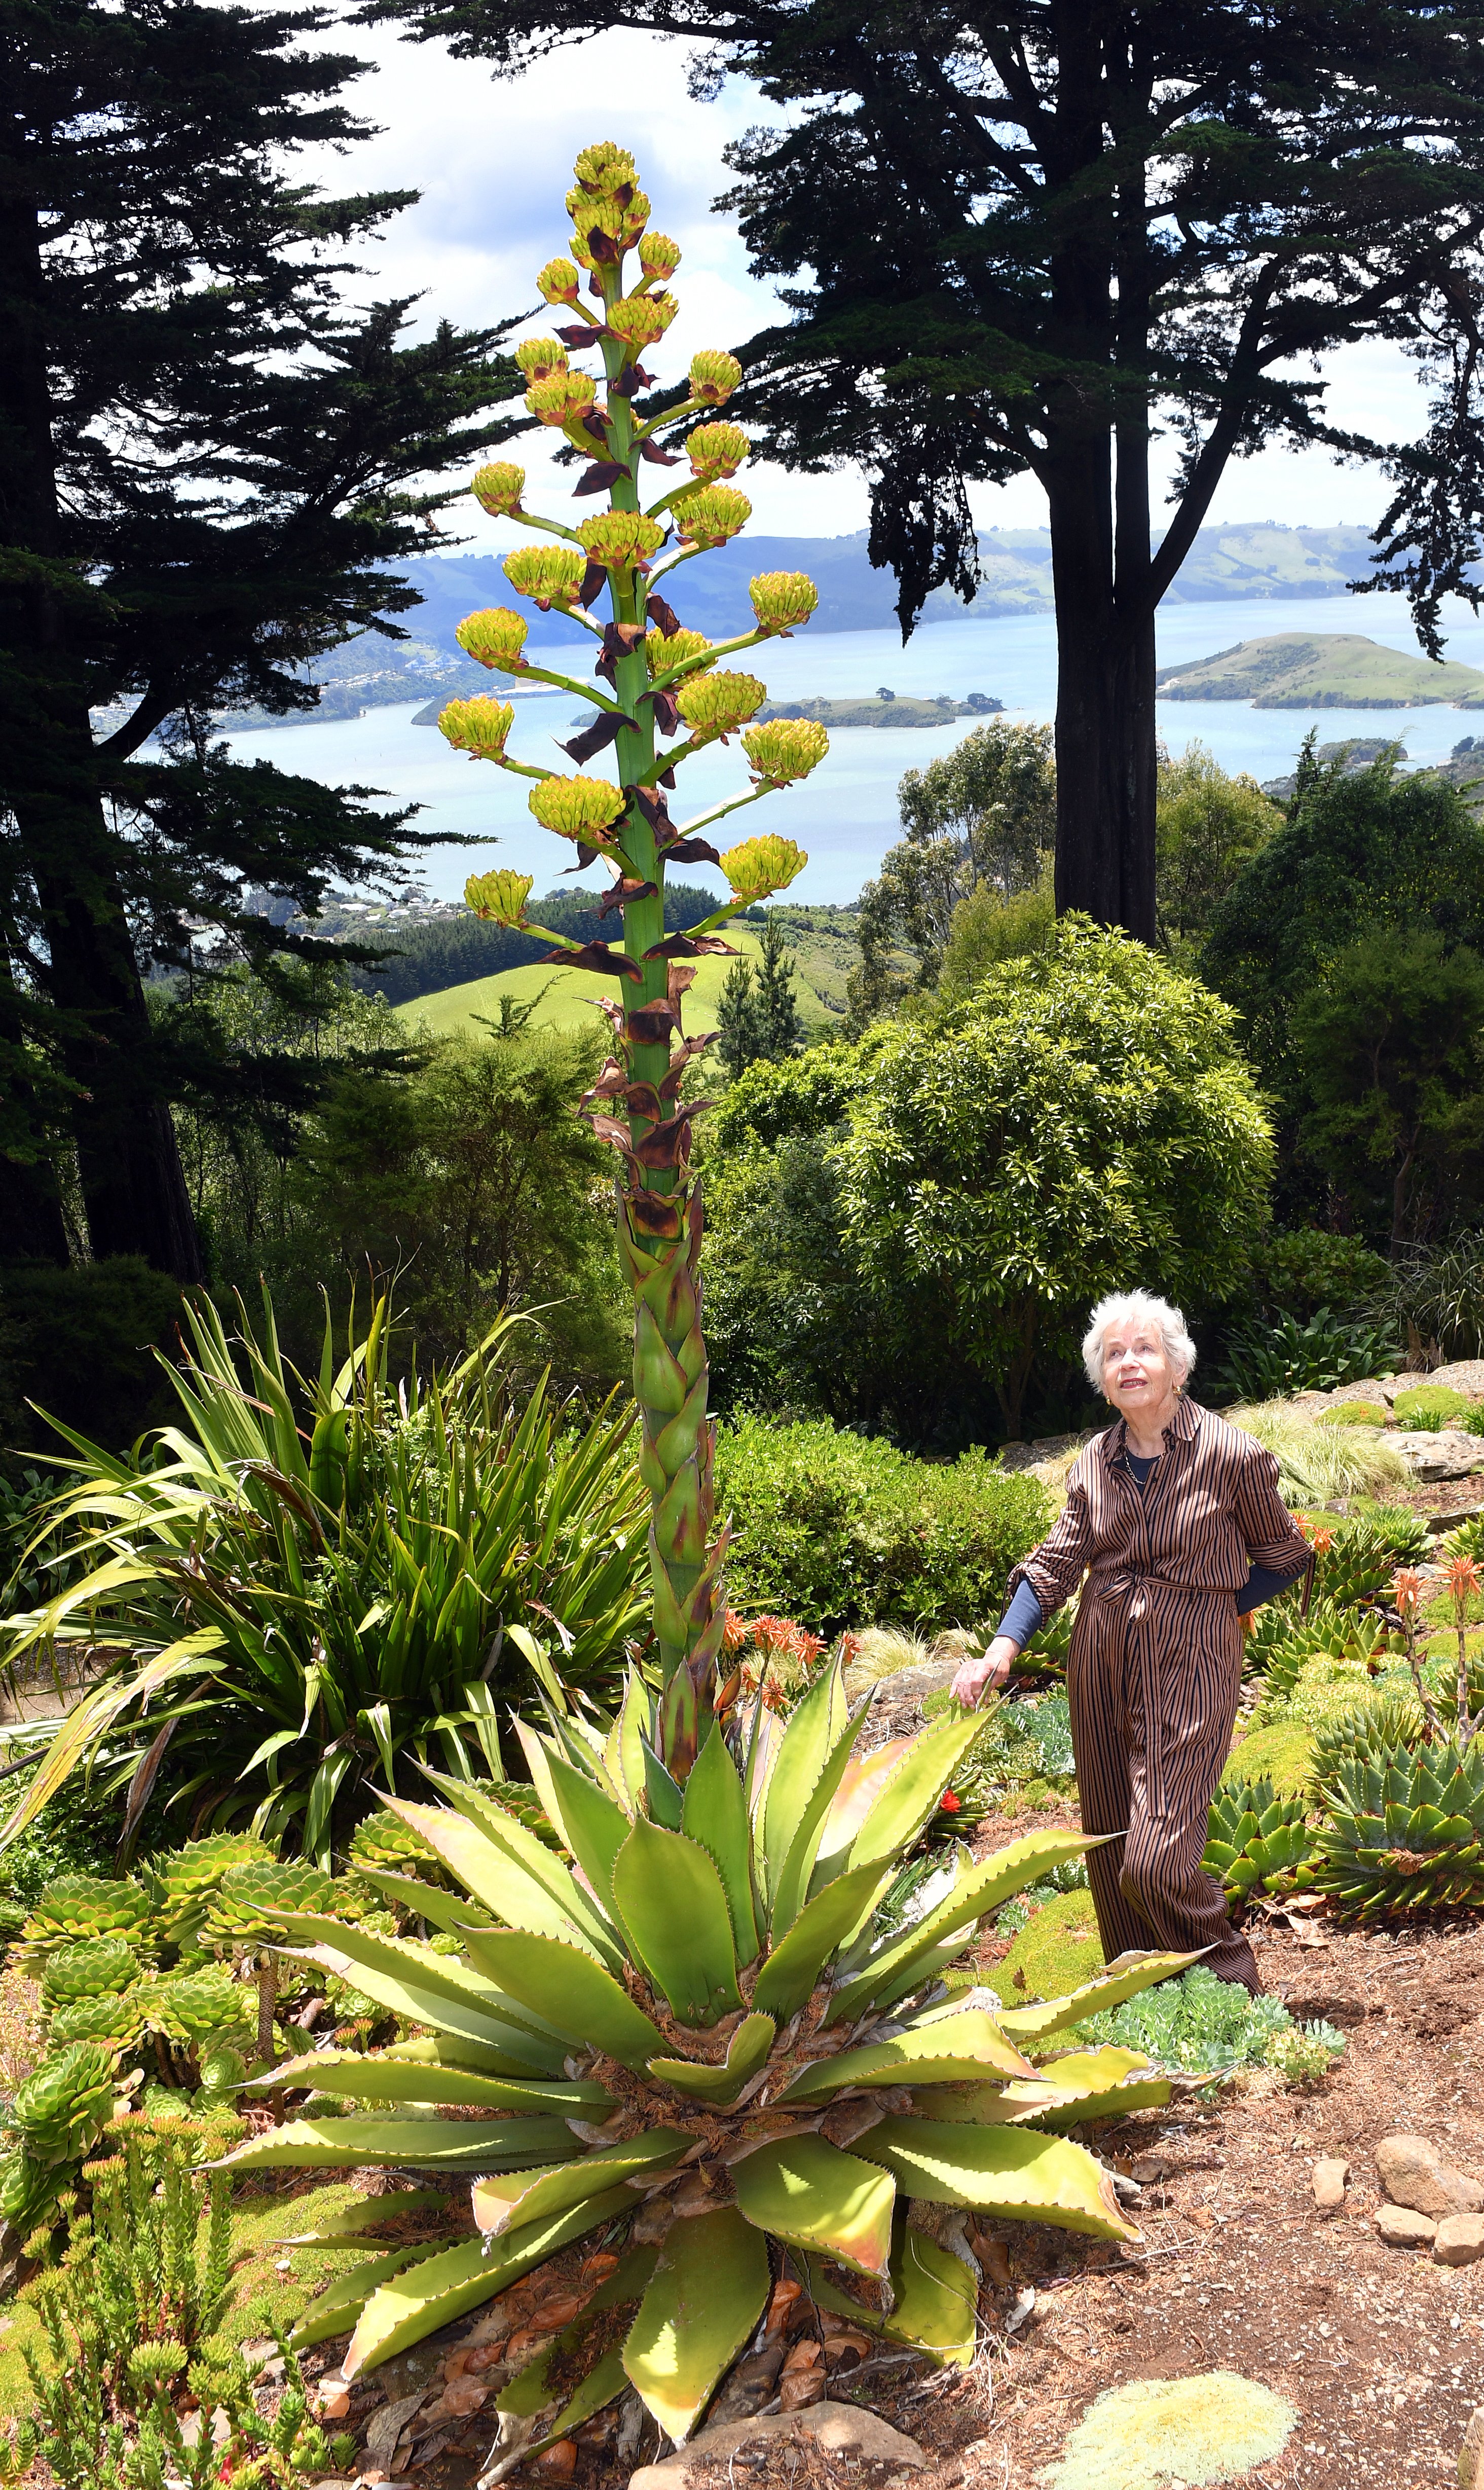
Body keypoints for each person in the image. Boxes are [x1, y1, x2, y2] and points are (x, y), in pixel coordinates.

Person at [950, 1289, 1312, 1992]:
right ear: (1103, 1377)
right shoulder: (1094, 1460)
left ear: (1178, 1365)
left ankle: (1229, 1987)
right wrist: (1003, 1646)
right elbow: (1057, 1560)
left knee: (1157, 1858)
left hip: (1194, 1661)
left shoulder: (1233, 1455)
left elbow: (1285, 1555)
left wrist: (1213, 1608)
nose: (1130, 1363)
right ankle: (1142, 1993)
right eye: (1114, 1354)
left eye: (1144, 1349)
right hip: (1101, 1654)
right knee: (1112, 1840)